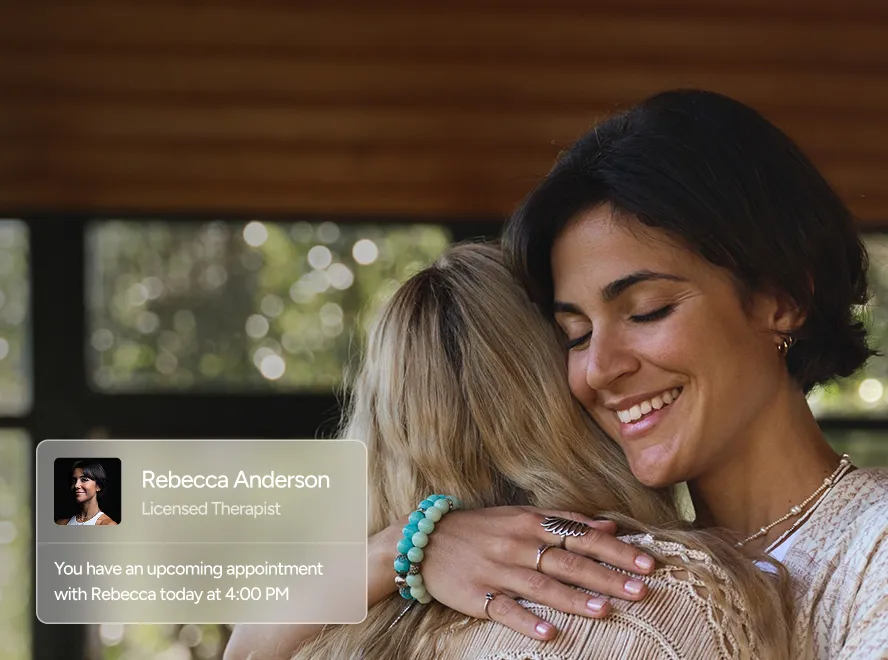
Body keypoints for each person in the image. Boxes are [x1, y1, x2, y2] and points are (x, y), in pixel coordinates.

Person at [357, 89, 882, 659]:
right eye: (575, 336)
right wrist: (408, 548)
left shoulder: (872, 547)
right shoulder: (623, 574)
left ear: (783, 299)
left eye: (647, 310)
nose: (600, 369)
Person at [226, 243, 790, 659]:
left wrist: (401, 547)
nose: (603, 368)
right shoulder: (677, 604)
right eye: (578, 336)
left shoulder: (321, 640)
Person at [55, 460, 118, 526]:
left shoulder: (107, 524)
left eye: (84, 480)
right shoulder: (60, 523)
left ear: (98, 486)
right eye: (74, 480)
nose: (76, 485)